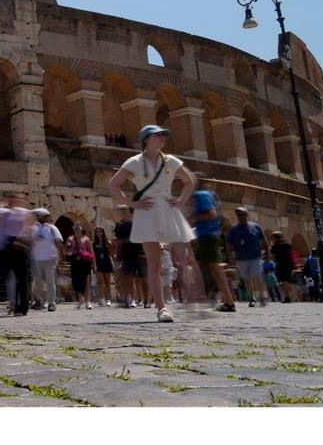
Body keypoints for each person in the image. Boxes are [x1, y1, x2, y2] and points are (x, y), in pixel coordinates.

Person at [108, 124, 200, 323]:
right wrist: (132, 203)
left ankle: (194, 300)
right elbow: (113, 185)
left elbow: (189, 180)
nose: (162, 139)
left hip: (168, 208)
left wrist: (181, 201)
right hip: (147, 211)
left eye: (163, 136)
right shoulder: (134, 162)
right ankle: (162, 308)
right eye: (157, 136)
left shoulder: (170, 161)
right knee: (154, 263)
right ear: (146, 139)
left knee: (183, 258)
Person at [188, 184, 236, 311]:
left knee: (214, 268)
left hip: (207, 235)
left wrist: (192, 218)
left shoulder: (200, 195)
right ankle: (210, 297)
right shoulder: (209, 195)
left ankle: (228, 301)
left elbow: (211, 214)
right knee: (205, 267)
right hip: (207, 235)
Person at [225, 206, 269, 307]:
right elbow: (228, 243)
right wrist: (230, 254)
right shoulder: (233, 229)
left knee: (258, 275)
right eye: (239, 215)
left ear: (247, 215)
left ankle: (262, 296)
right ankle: (252, 298)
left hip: (255, 256)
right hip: (241, 258)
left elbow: (264, 240)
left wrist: (268, 253)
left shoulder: (255, 226)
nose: (241, 216)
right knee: (247, 278)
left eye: (243, 214)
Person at [30, 208, 62, 311]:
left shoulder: (52, 228)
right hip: (37, 259)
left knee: (50, 281)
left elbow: (59, 242)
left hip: (49, 258)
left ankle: (51, 302)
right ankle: (39, 301)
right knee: (38, 282)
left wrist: (59, 256)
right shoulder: (33, 228)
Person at [65, 225, 94, 309]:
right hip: (75, 262)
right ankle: (81, 298)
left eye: (79, 228)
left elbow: (92, 252)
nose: (77, 230)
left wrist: (94, 265)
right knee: (75, 281)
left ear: (82, 229)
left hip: (85, 262)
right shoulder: (70, 239)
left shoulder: (86, 239)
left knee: (86, 282)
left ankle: (88, 302)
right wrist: (71, 251)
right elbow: (65, 251)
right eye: (75, 228)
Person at [91, 226, 115, 306]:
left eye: (100, 231)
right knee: (100, 282)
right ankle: (101, 298)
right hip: (98, 263)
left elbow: (111, 253)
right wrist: (93, 265)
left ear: (103, 232)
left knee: (107, 282)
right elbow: (92, 255)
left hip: (107, 262)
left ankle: (108, 299)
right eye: (97, 232)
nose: (99, 233)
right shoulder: (93, 244)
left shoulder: (108, 243)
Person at [269, 232, 296, 303]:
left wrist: (271, 245)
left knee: (283, 281)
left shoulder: (275, 246)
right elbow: (292, 254)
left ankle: (288, 296)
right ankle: (291, 295)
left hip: (281, 264)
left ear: (275, 238)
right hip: (289, 264)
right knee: (288, 280)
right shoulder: (287, 244)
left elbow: (271, 253)